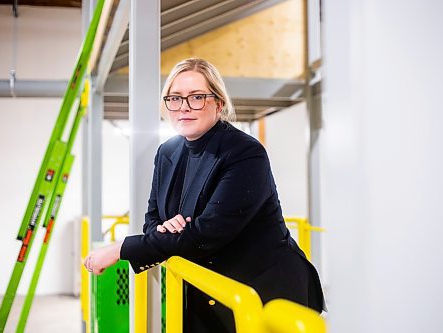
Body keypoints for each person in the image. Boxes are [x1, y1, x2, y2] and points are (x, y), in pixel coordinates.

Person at [84, 58, 325, 332]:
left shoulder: (245, 153)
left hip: (263, 291)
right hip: (205, 289)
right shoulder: (167, 152)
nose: (184, 106)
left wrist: (121, 249)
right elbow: (152, 220)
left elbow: (206, 234)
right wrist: (166, 229)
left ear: (219, 103)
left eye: (197, 97)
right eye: (175, 98)